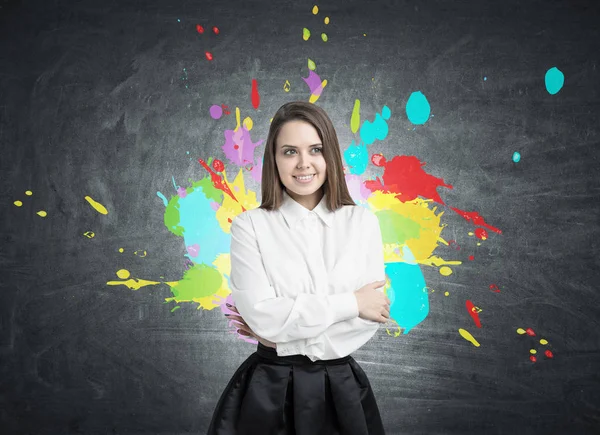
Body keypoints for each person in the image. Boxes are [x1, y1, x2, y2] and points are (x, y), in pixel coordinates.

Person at [207, 101, 390, 435]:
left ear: (330, 155)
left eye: (315, 149)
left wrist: (282, 334)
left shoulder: (361, 222)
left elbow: (368, 319)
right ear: (273, 160)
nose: (303, 164)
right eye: (289, 151)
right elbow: (262, 316)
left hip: (341, 390)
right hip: (268, 389)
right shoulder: (250, 225)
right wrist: (350, 302)